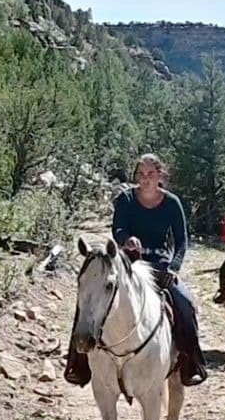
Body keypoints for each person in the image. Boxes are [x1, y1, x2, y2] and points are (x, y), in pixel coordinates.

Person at [63, 153, 209, 388]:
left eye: (150, 174)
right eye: (141, 174)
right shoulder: (126, 200)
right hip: (129, 264)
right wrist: (126, 238)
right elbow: (118, 228)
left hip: (160, 267)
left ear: (160, 175)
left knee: (185, 303)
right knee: (91, 298)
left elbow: (182, 240)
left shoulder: (172, 203)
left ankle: (191, 362)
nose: (145, 179)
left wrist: (174, 266)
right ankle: (78, 362)